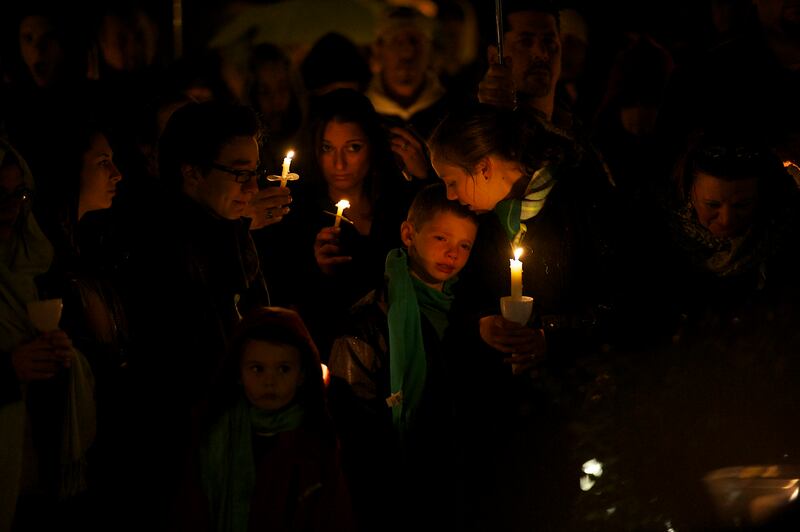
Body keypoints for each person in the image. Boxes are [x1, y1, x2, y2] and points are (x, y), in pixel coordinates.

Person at [427, 103, 624, 530]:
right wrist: (481, 323)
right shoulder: (495, 216)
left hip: (575, 421)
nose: (450, 196)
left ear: (482, 167)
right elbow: (470, 297)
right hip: (506, 425)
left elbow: (622, 301)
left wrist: (551, 336)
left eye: (452, 181)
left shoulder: (581, 201)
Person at [119, 101, 273, 531]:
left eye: (255, 172)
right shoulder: (162, 243)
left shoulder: (226, 227)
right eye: (240, 173)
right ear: (191, 171)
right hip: (180, 448)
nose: (252, 185)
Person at [327, 183, 478, 532]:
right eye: (441, 238)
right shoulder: (372, 318)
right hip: (391, 487)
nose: (452, 254)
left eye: (464, 245)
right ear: (409, 233)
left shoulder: (470, 314)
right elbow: (350, 417)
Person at [171, 307, 353, 532]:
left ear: (302, 375)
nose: (270, 382)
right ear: (238, 373)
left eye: (283, 369)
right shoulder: (212, 435)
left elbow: (333, 516)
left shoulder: (316, 442)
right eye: (257, 368)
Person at [259, 88, 412, 354]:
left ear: (373, 146)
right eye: (327, 148)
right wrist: (317, 269)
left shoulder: (399, 206)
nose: (339, 163)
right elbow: (283, 293)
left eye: (353, 148)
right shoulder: (295, 213)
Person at [0, 139, 95, 531]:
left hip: (29, 460)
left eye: (20, 193)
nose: (12, 208)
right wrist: (9, 369)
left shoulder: (26, 268)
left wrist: (62, 355)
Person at [366, 4, 449, 181]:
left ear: (430, 49)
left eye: (415, 41)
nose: (407, 53)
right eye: (397, 41)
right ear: (379, 49)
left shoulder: (452, 111)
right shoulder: (361, 112)